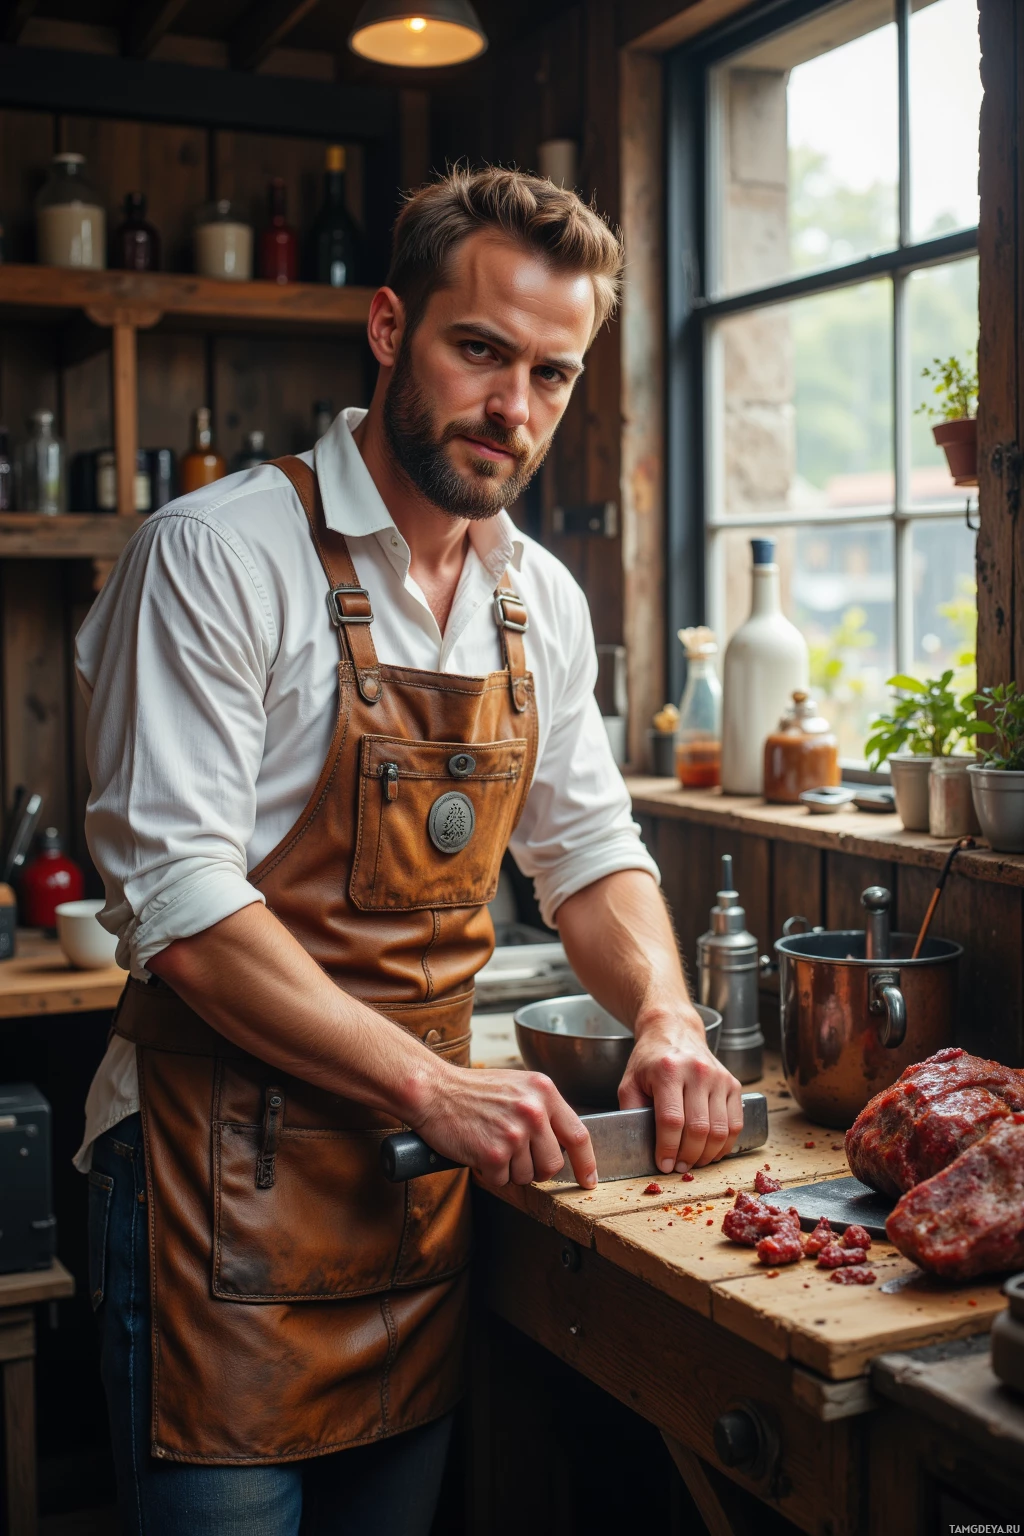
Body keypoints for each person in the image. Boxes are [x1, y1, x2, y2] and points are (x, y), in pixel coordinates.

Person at [75, 165, 743, 1535]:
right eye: (480, 350)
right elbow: (184, 907)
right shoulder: (216, 553)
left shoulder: (536, 598)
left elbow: (591, 848)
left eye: (553, 375)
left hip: (411, 1202)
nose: (514, 408)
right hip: (216, 1191)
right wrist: (435, 1091)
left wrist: (667, 1017)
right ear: (390, 330)